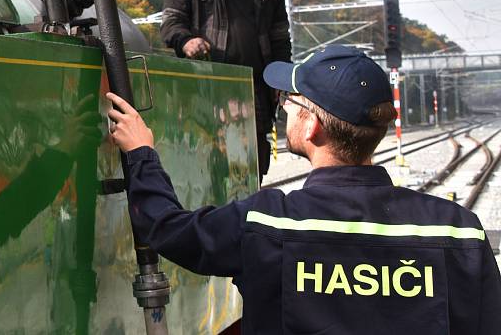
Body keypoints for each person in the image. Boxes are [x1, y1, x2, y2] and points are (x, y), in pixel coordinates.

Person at [106, 45, 501, 334]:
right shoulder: (459, 231)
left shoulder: (266, 222)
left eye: (290, 102)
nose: (284, 110)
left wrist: (141, 151)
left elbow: (167, 229)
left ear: (312, 127)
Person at [160, 0, 291, 182]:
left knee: (250, 169)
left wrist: (282, 82)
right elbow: (170, 23)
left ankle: (247, 220)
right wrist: (186, 42)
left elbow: (280, 38)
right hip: (204, 92)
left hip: (253, 91)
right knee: (207, 166)